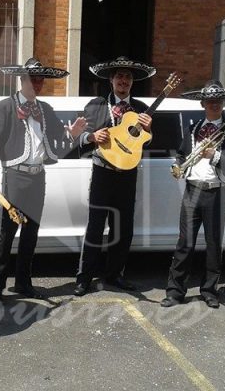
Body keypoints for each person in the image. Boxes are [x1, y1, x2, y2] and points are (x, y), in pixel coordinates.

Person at [0, 57, 86, 305]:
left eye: (41, 80)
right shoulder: (4, 107)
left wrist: (72, 134)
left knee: (31, 233)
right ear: (22, 79)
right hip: (14, 177)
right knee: (7, 234)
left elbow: (59, 137)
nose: (38, 84)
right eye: (33, 79)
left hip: (38, 177)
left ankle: (23, 282)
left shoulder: (45, 109)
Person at [74, 56, 156, 296]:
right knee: (95, 227)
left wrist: (149, 129)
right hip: (102, 174)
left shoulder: (142, 109)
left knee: (123, 228)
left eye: (128, 77)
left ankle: (114, 274)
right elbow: (78, 137)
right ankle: (84, 277)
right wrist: (91, 137)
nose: (124, 80)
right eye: (119, 75)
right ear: (111, 79)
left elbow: (147, 144)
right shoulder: (96, 105)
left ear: (132, 82)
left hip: (128, 175)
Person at [161, 80, 225, 309]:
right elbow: (181, 154)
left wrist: (216, 156)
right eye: (210, 101)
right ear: (202, 103)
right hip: (192, 190)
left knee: (213, 244)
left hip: (217, 192)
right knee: (184, 243)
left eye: (218, 100)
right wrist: (177, 166)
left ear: (224, 102)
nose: (214, 104)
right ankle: (175, 292)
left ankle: (209, 290)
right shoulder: (192, 129)